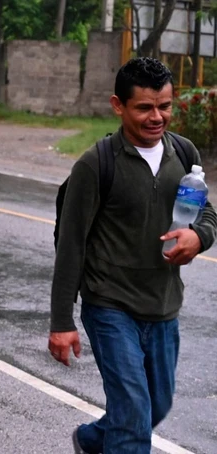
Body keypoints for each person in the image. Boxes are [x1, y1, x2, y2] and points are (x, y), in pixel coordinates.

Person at [50, 57, 217, 454]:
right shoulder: (96, 164)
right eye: (144, 107)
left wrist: (199, 236)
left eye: (165, 106)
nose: (157, 116)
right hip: (110, 305)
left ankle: (92, 439)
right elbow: (70, 243)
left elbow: (206, 211)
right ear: (118, 105)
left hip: (162, 304)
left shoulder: (183, 152)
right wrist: (61, 321)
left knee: (155, 405)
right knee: (133, 418)